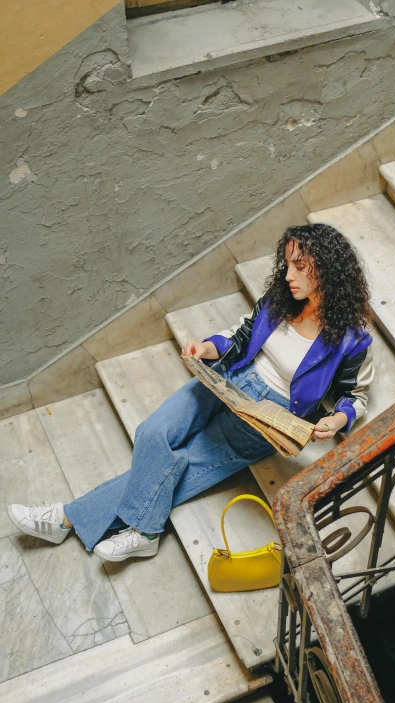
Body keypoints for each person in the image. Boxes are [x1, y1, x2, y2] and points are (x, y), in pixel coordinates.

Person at [7, 224, 374, 563]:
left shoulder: (352, 339)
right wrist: (206, 349)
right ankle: (145, 530)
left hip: (265, 416)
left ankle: (66, 519)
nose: (288, 274)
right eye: (287, 264)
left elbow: (354, 395)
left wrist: (339, 419)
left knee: (182, 464)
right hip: (226, 379)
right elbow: (240, 338)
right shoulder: (280, 298)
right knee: (153, 433)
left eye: (299, 266)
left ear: (326, 271)